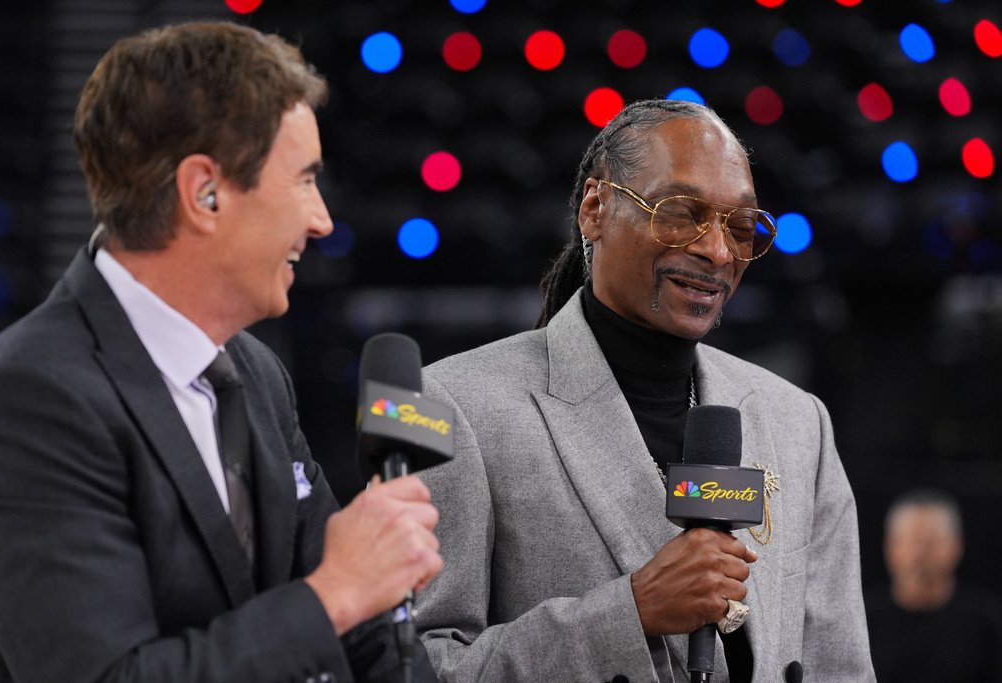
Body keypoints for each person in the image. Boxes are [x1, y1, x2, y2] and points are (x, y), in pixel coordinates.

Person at [0, 21, 443, 683]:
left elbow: (368, 633)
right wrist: (333, 593)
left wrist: (353, 593)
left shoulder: (255, 371)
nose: (322, 220)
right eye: (304, 180)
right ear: (205, 193)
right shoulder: (28, 395)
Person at [413, 99, 875, 682]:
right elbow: (416, 665)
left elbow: (841, 668)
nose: (717, 252)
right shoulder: (457, 404)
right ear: (595, 208)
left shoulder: (798, 421)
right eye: (681, 212)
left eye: (739, 226)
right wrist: (628, 614)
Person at [867, 488, 1002, 681]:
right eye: (914, 540)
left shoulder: (989, 624)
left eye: (932, 541)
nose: (922, 552)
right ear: (890, 546)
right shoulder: (862, 622)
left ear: (957, 546)